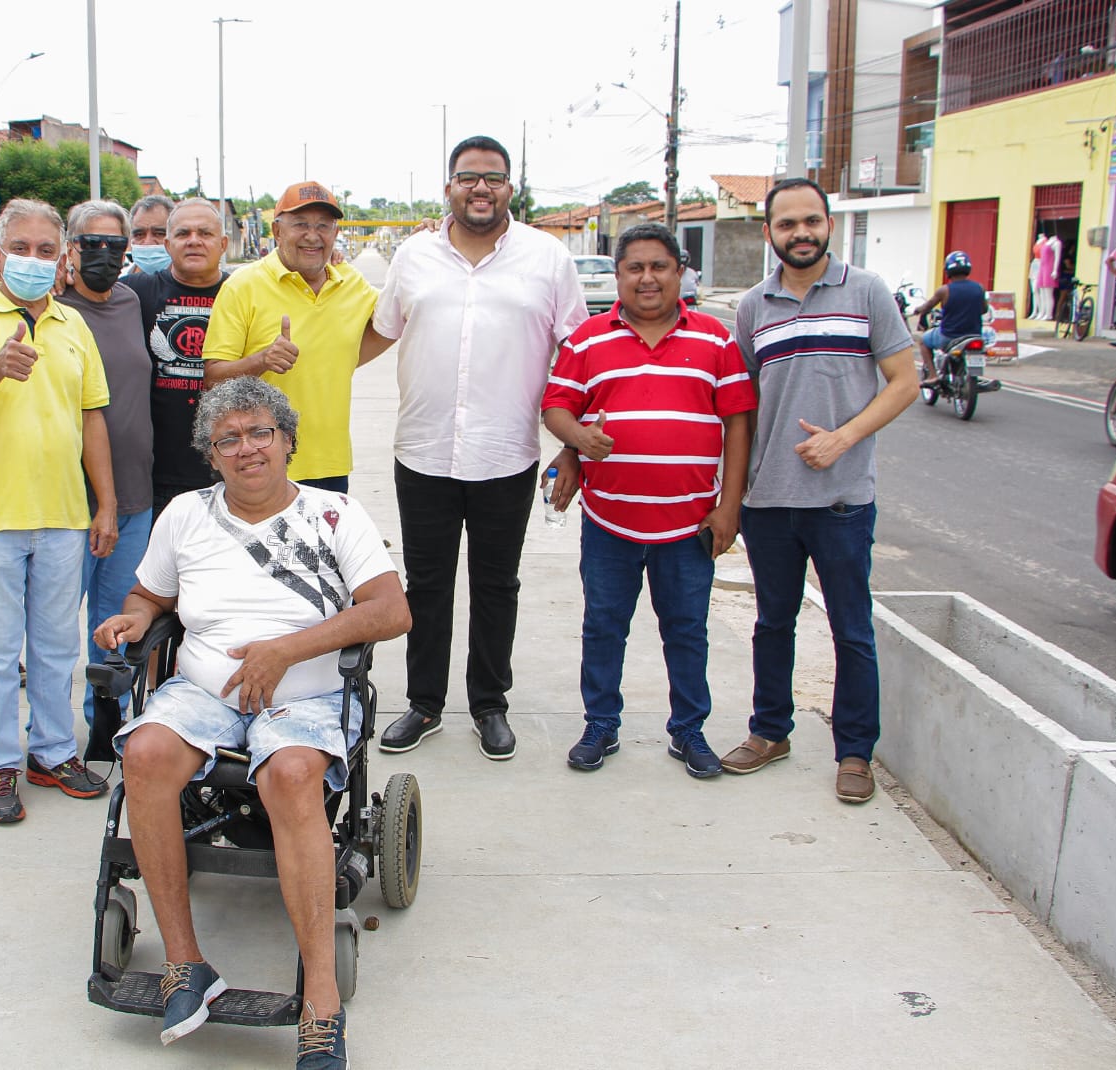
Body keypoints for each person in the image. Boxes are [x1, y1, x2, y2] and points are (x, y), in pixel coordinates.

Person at [95, 377, 409, 1070]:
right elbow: (151, 591)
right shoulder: (185, 514)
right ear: (212, 455)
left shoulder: (336, 514)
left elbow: (391, 612)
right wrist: (138, 616)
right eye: (228, 439)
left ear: (288, 440)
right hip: (204, 688)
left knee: (294, 775)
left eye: (260, 432)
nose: (247, 449)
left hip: (310, 692)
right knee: (144, 754)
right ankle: (186, 966)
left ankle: (321, 1002)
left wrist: (284, 650)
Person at [367, 135, 587, 761]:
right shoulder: (413, 256)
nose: (480, 188)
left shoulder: (547, 258)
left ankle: (490, 704)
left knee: (498, 586)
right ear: (449, 188)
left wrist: (571, 446)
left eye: (493, 178)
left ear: (511, 188)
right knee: (426, 585)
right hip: (424, 452)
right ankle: (424, 704)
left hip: (507, 454)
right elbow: (379, 335)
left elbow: (577, 355)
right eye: (468, 177)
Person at [722, 177, 918, 804]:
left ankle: (855, 752)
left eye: (811, 221)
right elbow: (740, 408)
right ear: (770, 233)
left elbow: (904, 380)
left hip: (840, 501)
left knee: (850, 630)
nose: (800, 233)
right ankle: (770, 732)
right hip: (769, 502)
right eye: (787, 224)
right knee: (772, 623)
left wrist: (844, 437)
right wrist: (732, 493)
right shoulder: (753, 306)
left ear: (829, 225)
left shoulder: (866, 292)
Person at [0, 197, 119, 824]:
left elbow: (92, 417)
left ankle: (54, 753)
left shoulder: (72, 325)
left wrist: (106, 503)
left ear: (61, 256)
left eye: (46, 250)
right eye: (22, 249)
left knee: (56, 647)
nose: (33, 261)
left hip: (64, 515)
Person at [542, 223, 755, 777]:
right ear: (618, 277)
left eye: (659, 266)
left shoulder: (715, 338)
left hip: (689, 525)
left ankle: (688, 731)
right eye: (634, 267)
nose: (647, 278)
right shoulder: (588, 339)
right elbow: (557, 405)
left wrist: (729, 506)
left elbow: (738, 423)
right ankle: (601, 725)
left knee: (686, 630)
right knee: (604, 626)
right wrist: (579, 440)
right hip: (610, 519)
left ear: (680, 272)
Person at [202, 180, 380, 493]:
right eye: (300, 224)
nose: (313, 236)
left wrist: (431, 236)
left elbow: (400, 317)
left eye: (323, 226)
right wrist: (262, 360)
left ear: (335, 234)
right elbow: (213, 377)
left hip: (331, 466)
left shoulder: (351, 283)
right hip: (258, 465)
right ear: (277, 231)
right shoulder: (242, 286)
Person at [57, 200, 154, 718]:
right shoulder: (50, 307)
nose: (103, 254)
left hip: (135, 496)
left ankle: (108, 727)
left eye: (114, 244)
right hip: (70, 502)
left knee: (115, 624)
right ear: (70, 249)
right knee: (53, 632)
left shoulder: (131, 301)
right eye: (91, 243)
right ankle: (51, 741)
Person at [122, 198, 230, 518]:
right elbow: (79, 298)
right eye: (183, 234)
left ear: (223, 243)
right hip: (157, 475)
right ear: (169, 245)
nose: (194, 240)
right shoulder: (133, 292)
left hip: (228, 468)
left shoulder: (244, 292)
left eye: (205, 233)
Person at [913, 250, 988, 385]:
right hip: (974, 334)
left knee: (923, 341)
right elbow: (984, 310)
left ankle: (933, 375)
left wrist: (918, 310)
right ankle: (973, 375)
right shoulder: (979, 288)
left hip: (949, 336)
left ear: (948, 270)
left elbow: (928, 306)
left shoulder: (944, 290)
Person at [128, 194, 176, 275]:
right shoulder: (117, 283)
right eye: (139, 235)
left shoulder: (195, 284)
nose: (148, 242)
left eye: (159, 234)